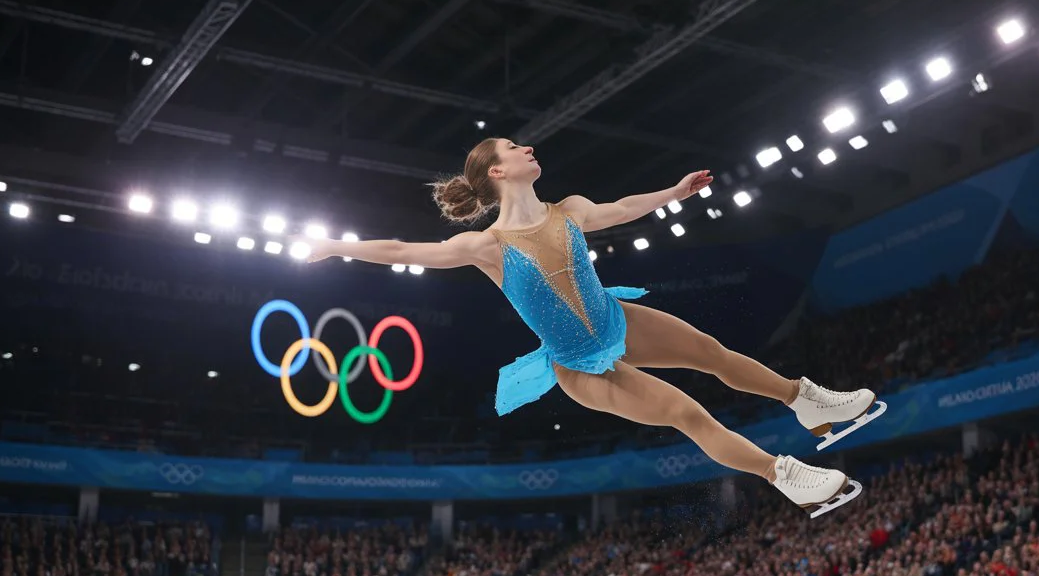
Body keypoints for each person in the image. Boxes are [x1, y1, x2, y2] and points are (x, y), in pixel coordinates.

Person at [303, 138, 879, 513]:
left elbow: (624, 208)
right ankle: (783, 474)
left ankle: (806, 402)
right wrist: (334, 245)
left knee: (713, 352)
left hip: (616, 318)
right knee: (686, 412)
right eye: (514, 146)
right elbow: (405, 248)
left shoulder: (569, 208)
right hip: (579, 364)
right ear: (498, 170)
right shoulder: (484, 245)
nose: (529, 146)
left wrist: (673, 193)